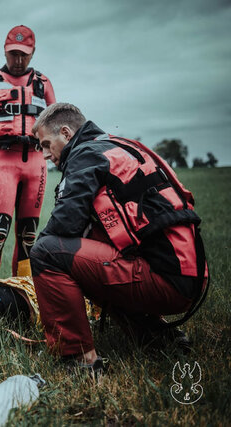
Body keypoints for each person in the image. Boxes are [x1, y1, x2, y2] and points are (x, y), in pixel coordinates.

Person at [29, 103, 207, 371]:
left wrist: (42, 261)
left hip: (164, 280)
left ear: (66, 133)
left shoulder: (85, 154)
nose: (44, 154)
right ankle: (157, 336)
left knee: (47, 252)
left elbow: (64, 224)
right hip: (191, 276)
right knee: (87, 253)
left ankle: (79, 359)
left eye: (45, 144)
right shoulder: (121, 146)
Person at [0, 25, 56, 282]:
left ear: (33, 53)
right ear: (5, 52)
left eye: (23, 54)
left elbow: (60, 127)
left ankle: (23, 292)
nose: (17, 60)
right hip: (3, 160)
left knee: (29, 233)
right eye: (12, 54)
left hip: (36, 164)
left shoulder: (43, 83)